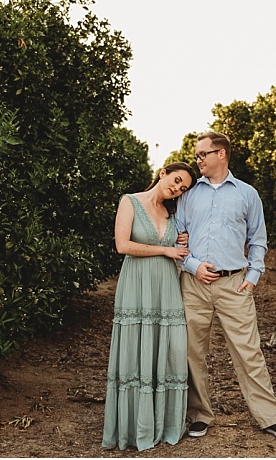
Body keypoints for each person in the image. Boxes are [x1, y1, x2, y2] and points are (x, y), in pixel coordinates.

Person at [175, 132, 276, 441]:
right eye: (197, 155)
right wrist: (192, 266)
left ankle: (271, 417)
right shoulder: (189, 194)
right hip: (194, 284)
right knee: (191, 353)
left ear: (221, 154)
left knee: (249, 352)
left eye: (203, 154)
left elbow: (258, 239)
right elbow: (178, 237)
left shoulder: (247, 194)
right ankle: (199, 415)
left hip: (234, 285)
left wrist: (252, 277)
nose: (198, 160)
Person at [102, 161, 198, 451]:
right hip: (136, 285)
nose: (177, 189)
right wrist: (166, 249)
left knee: (170, 349)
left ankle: (165, 423)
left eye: (183, 188)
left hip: (166, 287)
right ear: (163, 173)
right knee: (135, 349)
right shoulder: (130, 201)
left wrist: (181, 240)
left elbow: (181, 247)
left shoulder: (173, 214)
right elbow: (123, 245)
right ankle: (134, 427)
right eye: (177, 180)